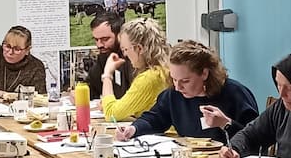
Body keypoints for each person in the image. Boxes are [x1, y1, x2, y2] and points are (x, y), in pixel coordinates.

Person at [116, 40, 258, 140]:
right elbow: (154, 119)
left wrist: (225, 123)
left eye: (185, 81)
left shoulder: (235, 93)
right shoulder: (173, 95)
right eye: (174, 79)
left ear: (204, 73)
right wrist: (133, 129)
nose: (178, 87)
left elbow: (257, 139)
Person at [101, 17, 170, 122]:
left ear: (139, 48)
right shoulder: (164, 69)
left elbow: (111, 114)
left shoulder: (149, 78)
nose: (125, 54)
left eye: (125, 49)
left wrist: (107, 75)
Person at [82, 11, 133, 101]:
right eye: (96, 40)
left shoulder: (133, 58)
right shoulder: (104, 56)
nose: (99, 45)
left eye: (105, 39)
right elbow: (93, 85)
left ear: (120, 35)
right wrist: (82, 93)